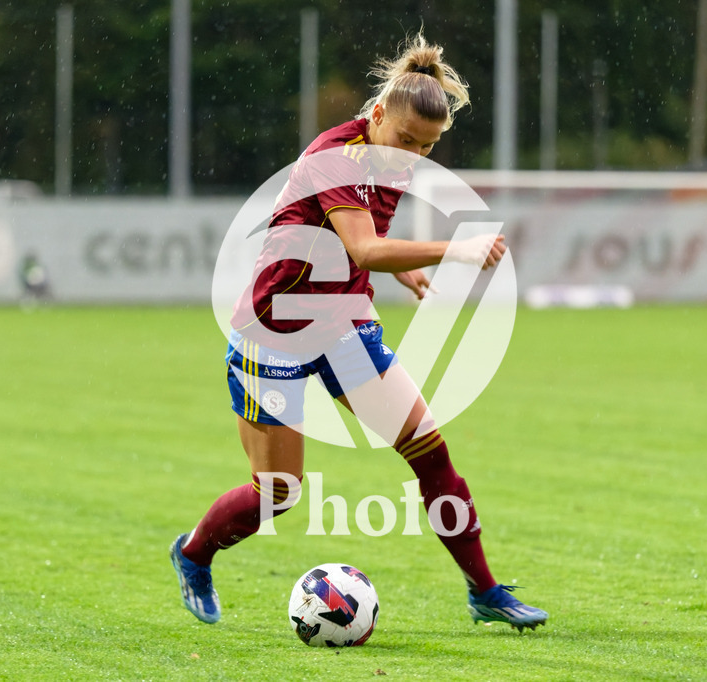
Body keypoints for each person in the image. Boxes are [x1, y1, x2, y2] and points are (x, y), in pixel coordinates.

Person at [169, 32, 548, 633]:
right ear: (375, 117)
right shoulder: (334, 159)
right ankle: (193, 554)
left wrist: (409, 269)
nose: (412, 159)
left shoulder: (392, 160)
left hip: (342, 325)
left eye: (426, 149)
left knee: (430, 452)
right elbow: (366, 247)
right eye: (405, 141)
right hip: (272, 334)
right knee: (278, 492)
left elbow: (357, 246)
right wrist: (454, 249)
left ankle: (485, 591)